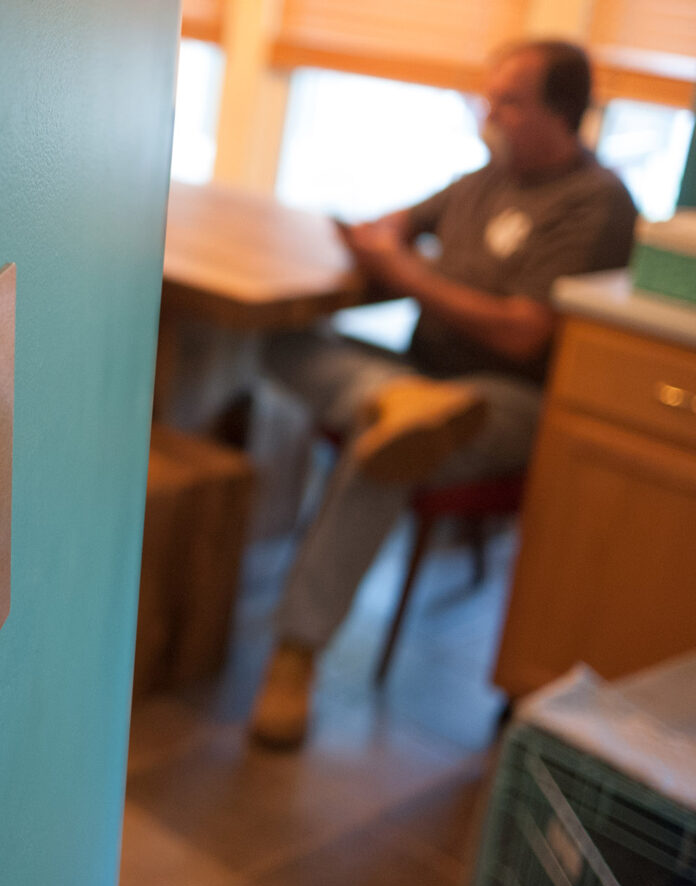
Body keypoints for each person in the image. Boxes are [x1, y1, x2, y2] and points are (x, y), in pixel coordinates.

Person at [249, 39, 638, 747]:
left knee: (385, 452)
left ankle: (295, 654)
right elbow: (395, 225)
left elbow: (523, 333)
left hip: (506, 400)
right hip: (419, 377)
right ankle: (393, 397)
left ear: (561, 113)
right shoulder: (483, 180)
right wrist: (384, 236)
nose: (490, 113)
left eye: (509, 101)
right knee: (281, 341)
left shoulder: (597, 202)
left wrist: (405, 272)